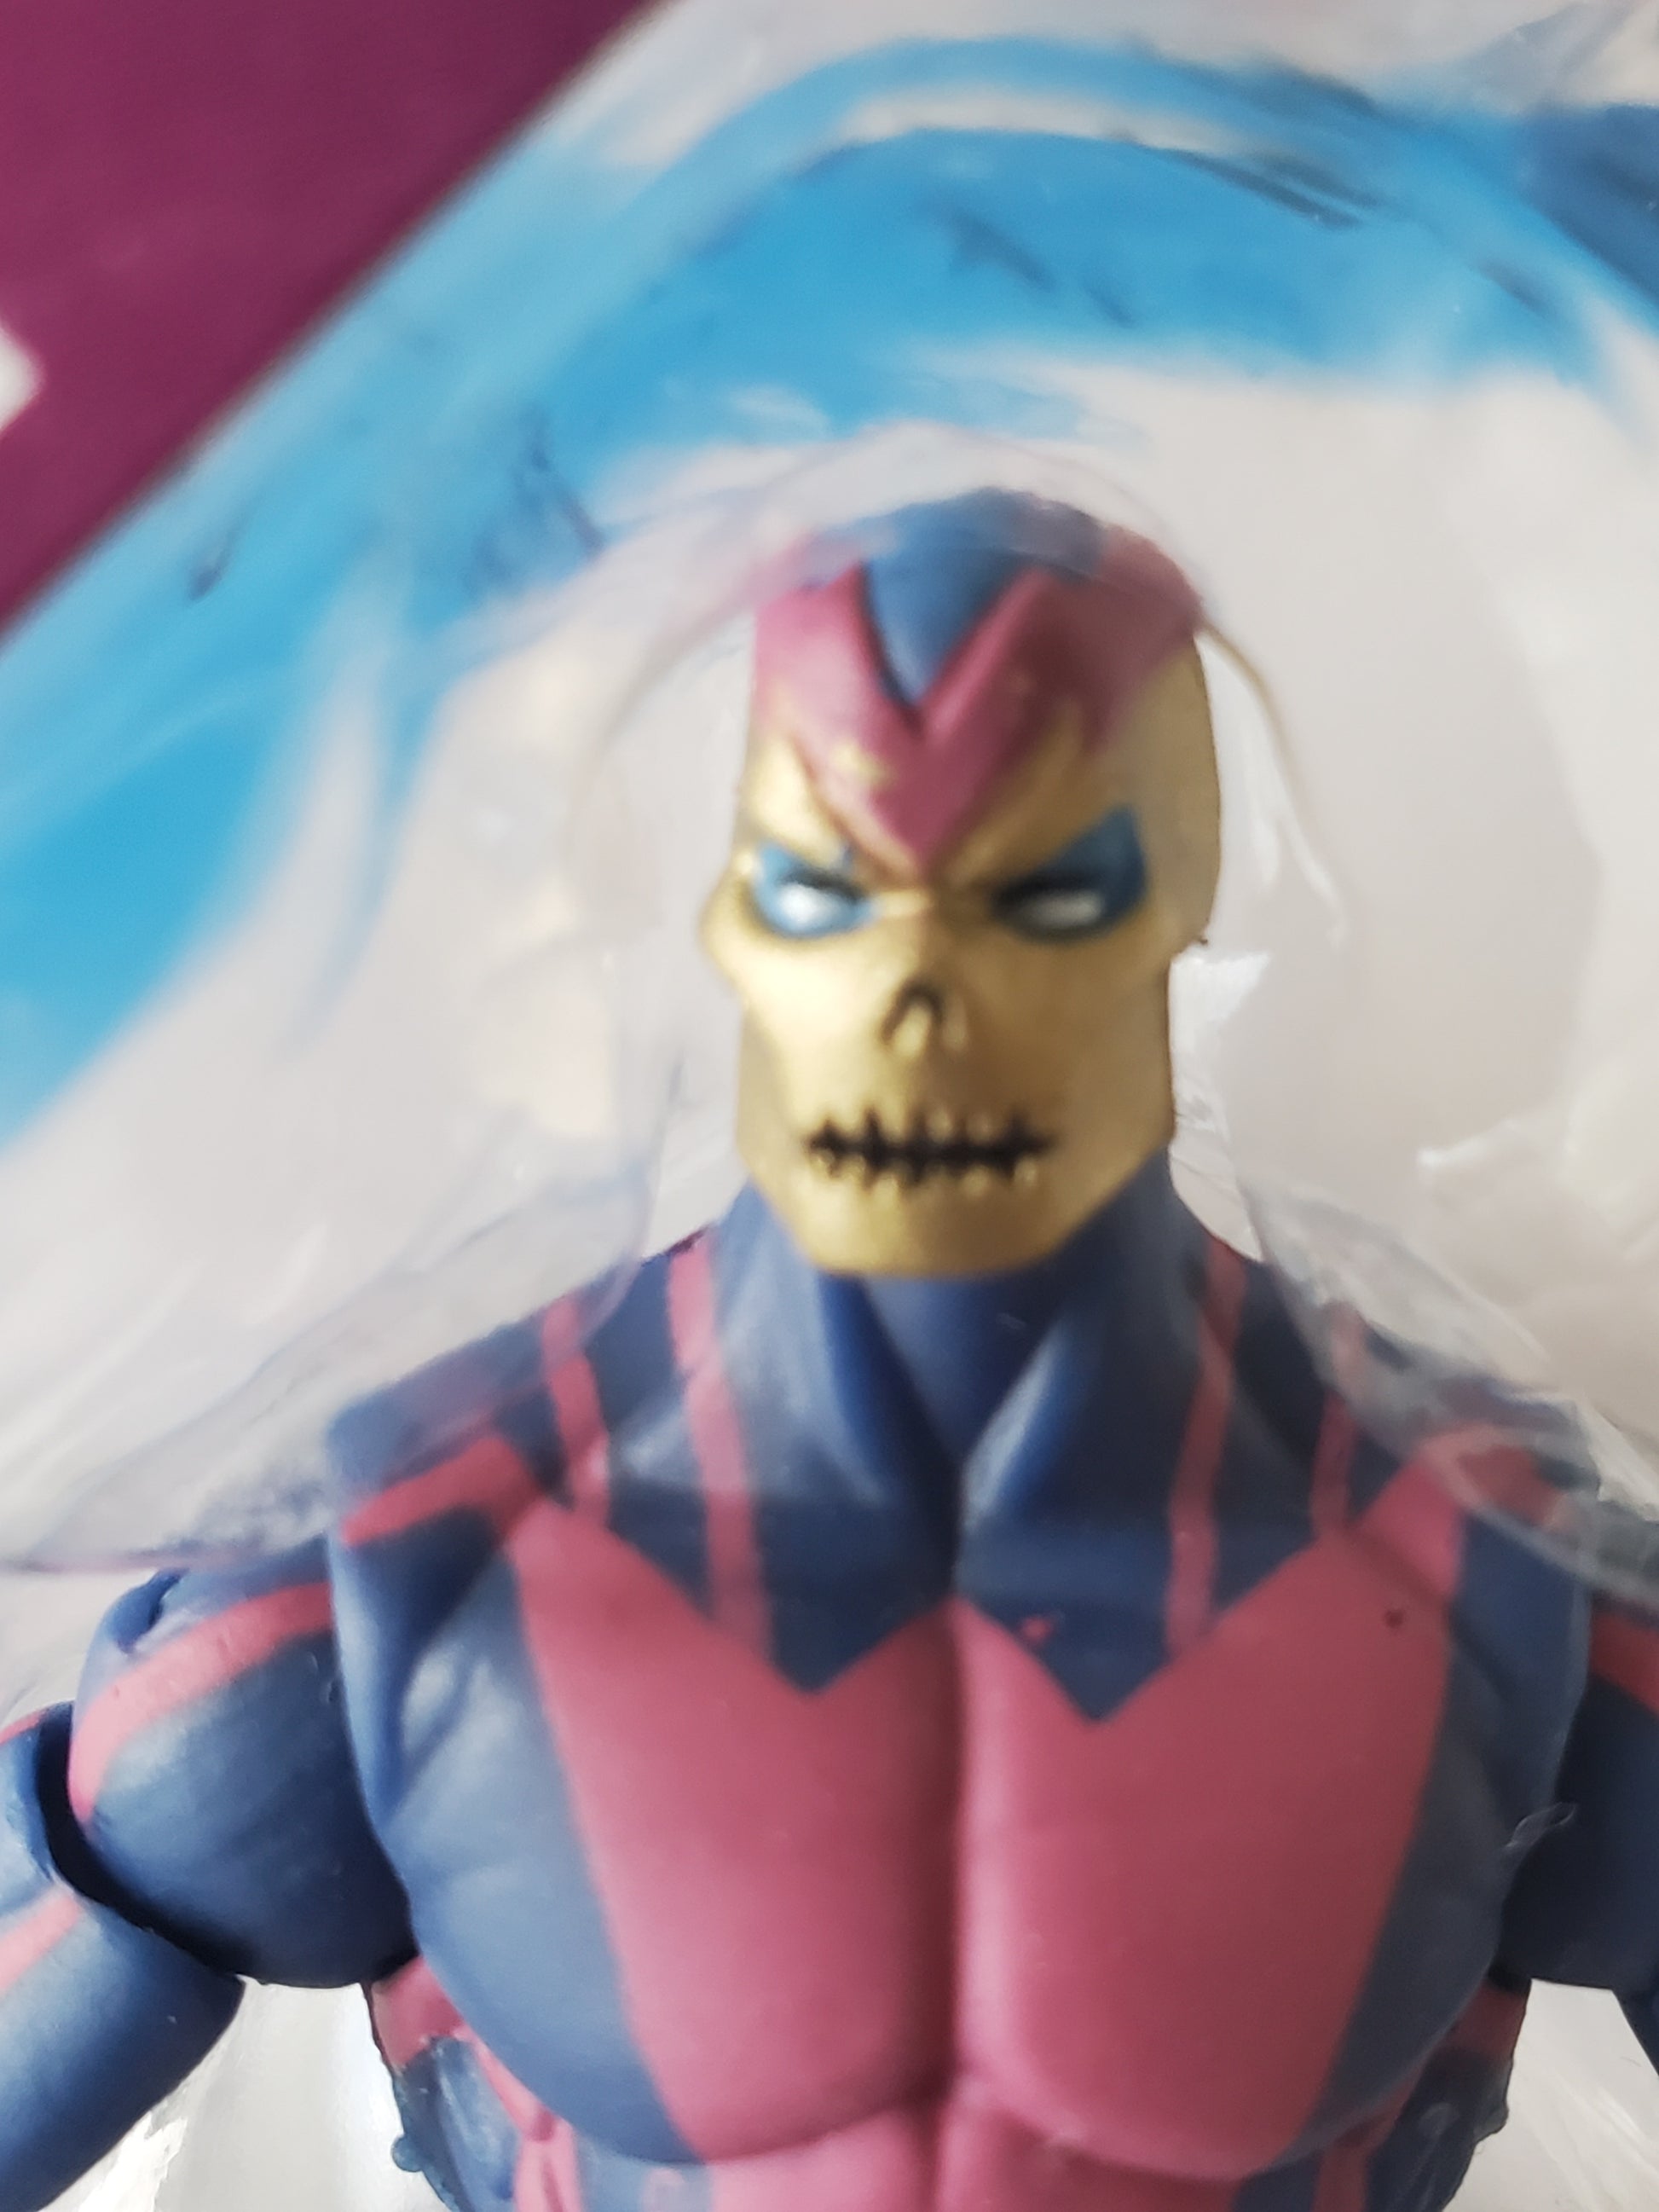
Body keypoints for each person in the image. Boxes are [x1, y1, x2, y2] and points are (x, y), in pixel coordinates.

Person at [3, 491, 1656, 2212]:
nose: (919, 992)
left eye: (1041, 895)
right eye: (825, 888)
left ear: (1177, 907)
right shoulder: (395, 1591)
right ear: (727, 914)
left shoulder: (1495, 1580)